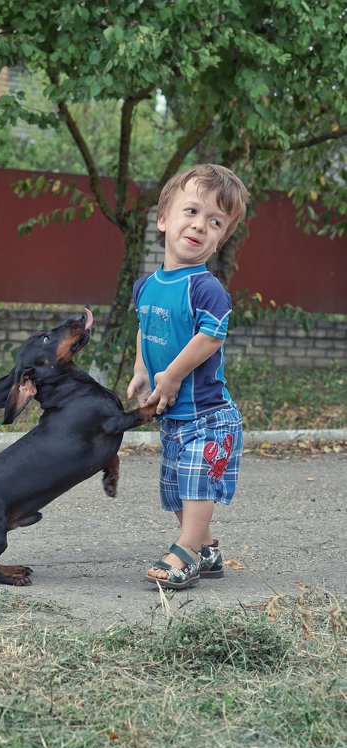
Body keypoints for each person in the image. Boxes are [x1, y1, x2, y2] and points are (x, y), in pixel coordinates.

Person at [127, 163, 249, 589]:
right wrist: (143, 370)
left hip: (209, 416)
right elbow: (146, 326)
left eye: (214, 222)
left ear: (219, 239)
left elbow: (210, 339)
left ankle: (185, 552)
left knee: (197, 483)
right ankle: (207, 550)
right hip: (174, 416)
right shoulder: (146, 285)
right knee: (178, 488)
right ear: (163, 219)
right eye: (192, 212)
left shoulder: (206, 288)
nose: (200, 225)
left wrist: (173, 376)